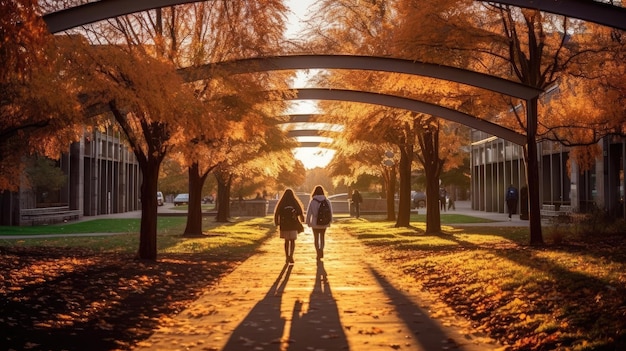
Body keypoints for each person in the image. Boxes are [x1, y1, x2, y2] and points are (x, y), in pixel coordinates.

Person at [274, 188, 305, 264]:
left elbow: (277, 213)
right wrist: (302, 219)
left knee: (286, 241)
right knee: (293, 240)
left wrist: (276, 222)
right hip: (293, 224)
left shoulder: (282, 202)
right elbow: (300, 211)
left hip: (284, 224)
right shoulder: (294, 202)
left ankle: (287, 256)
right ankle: (291, 255)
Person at [306, 185, 333, 260]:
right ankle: (321, 249)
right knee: (322, 237)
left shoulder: (312, 201)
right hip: (324, 223)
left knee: (316, 238)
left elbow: (309, 212)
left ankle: (318, 251)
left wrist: (308, 221)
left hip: (315, 222)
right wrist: (330, 220)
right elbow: (330, 212)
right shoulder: (327, 201)